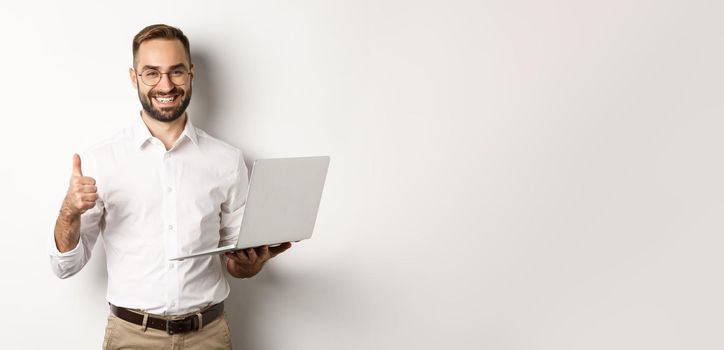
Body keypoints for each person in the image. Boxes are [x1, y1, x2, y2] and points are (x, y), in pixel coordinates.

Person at [48, 24, 291, 350]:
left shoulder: (227, 160)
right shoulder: (102, 160)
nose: (166, 85)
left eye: (176, 72)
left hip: (208, 336)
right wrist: (69, 212)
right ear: (134, 78)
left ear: (191, 74)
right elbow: (65, 266)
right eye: (152, 73)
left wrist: (248, 264)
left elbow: (235, 262)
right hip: (131, 337)